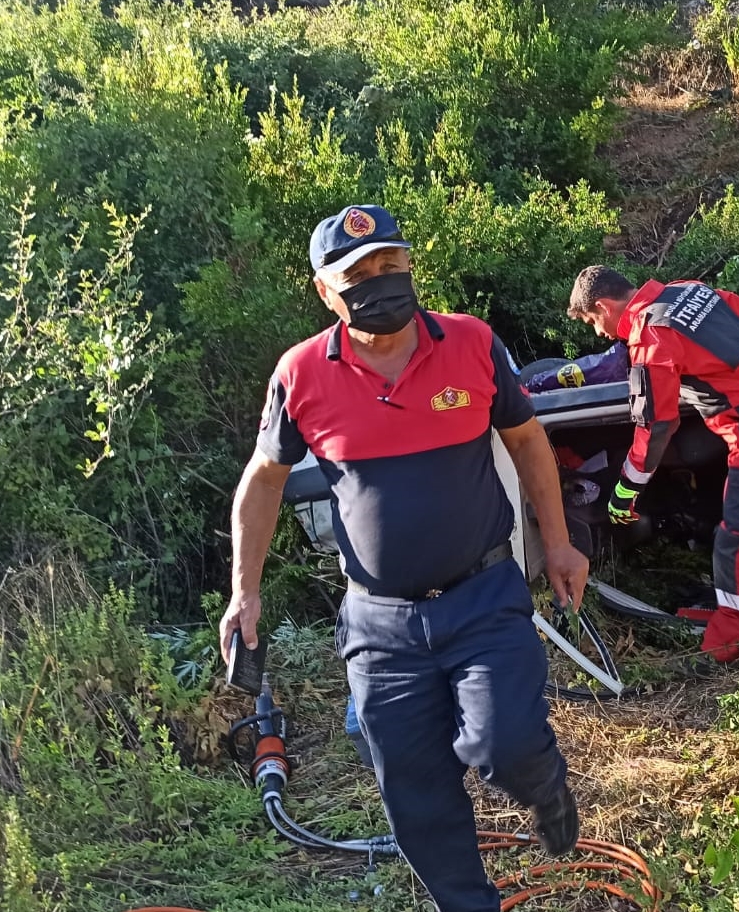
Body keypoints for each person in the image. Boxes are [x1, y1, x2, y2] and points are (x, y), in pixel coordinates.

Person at [219, 205, 590, 912]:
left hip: (481, 598)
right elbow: (262, 480)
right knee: (413, 791)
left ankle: (543, 787)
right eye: (358, 273)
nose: (380, 281)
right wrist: (246, 591)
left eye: (391, 264)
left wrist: (561, 538)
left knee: (503, 742)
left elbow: (526, 439)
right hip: (380, 627)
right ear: (326, 291)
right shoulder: (300, 373)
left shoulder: (473, 344)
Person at [566, 265, 739, 662]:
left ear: (603, 305)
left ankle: (727, 648)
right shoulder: (686, 291)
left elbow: (657, 427)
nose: (599, 332)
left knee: (735, 542)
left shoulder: (649, 336)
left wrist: (624, 493)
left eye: (594, 321)